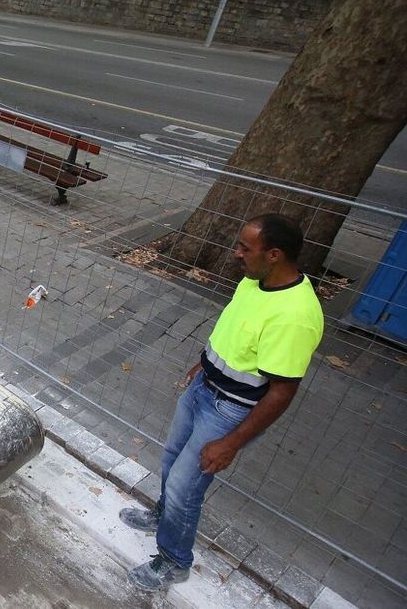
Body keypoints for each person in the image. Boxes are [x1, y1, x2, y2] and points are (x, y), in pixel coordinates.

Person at [120, 213, 323, 592]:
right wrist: (207, 360)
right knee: (170, 460)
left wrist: (231, 443)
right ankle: (164, 516)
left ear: (275, 254)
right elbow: (235, 328)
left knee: (185, 486)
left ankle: (174, 560)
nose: (236, 254)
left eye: (246, 248)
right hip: (204, 388)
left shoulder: (295, 316)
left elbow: (281, 392)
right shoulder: (255, 280)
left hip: (228, 410)